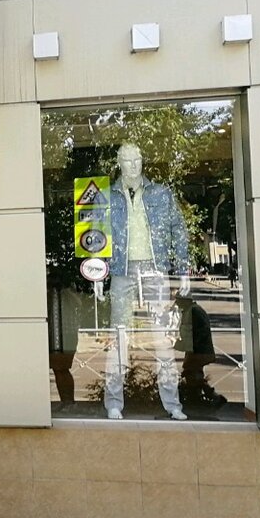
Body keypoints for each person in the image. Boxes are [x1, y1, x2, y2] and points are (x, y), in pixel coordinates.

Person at [102, 143, 190, 420]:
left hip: (154, 270)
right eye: (127, 160)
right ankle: (113, 402)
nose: (133, 165)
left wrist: (183, 269)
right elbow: (97, 234)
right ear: (119, 163)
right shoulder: (108, 196)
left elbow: (178, 228)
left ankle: (173, 404)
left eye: (137, 159)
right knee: (119, 336)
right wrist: (98, 272)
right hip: (121, 270)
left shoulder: (161, 194)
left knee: (162, 338)